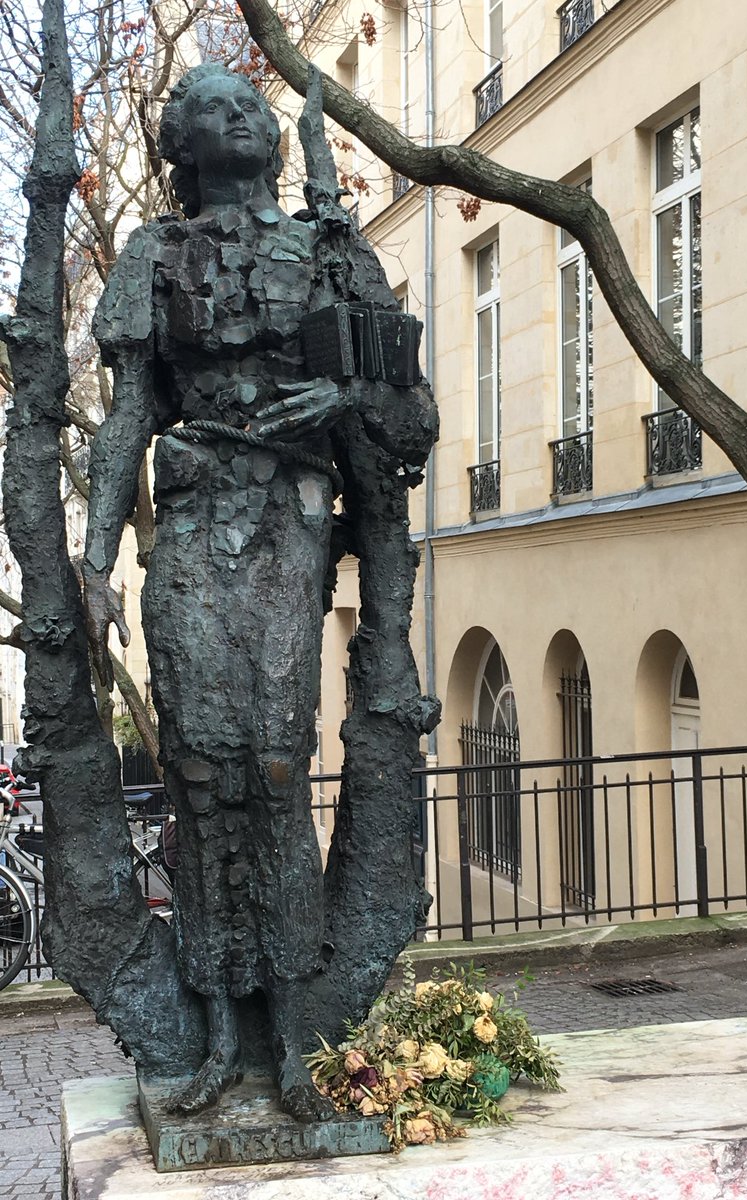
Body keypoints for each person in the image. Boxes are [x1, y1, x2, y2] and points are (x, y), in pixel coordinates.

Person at [83, 63, 437, 1119]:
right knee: (198, 770)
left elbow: (405, 411)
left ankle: (290, 1042)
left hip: (289, 519)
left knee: (276, 765)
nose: (241, 115)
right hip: (190, 523)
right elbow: (122, 421)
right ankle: (218, 1041)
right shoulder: (153, 253)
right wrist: (97, 558)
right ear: (181, 145)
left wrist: (348, 391)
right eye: (212, 108)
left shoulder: (328, 247)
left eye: (250, 104)